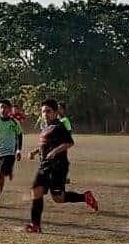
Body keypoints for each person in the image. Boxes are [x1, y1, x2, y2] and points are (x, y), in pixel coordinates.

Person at [23, 99, 98, 233]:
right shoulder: (46, 127)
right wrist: (35, 152)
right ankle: (35, 225)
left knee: (58, 198)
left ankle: (84, 197)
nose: (45, 114)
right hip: (45, 165)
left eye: (48, 111)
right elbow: (45, 146)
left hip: (58, 166)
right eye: (43, 112)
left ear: (56, 112)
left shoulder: (59, 126)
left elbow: (69, 143)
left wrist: (54, 151)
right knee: (36, 191)